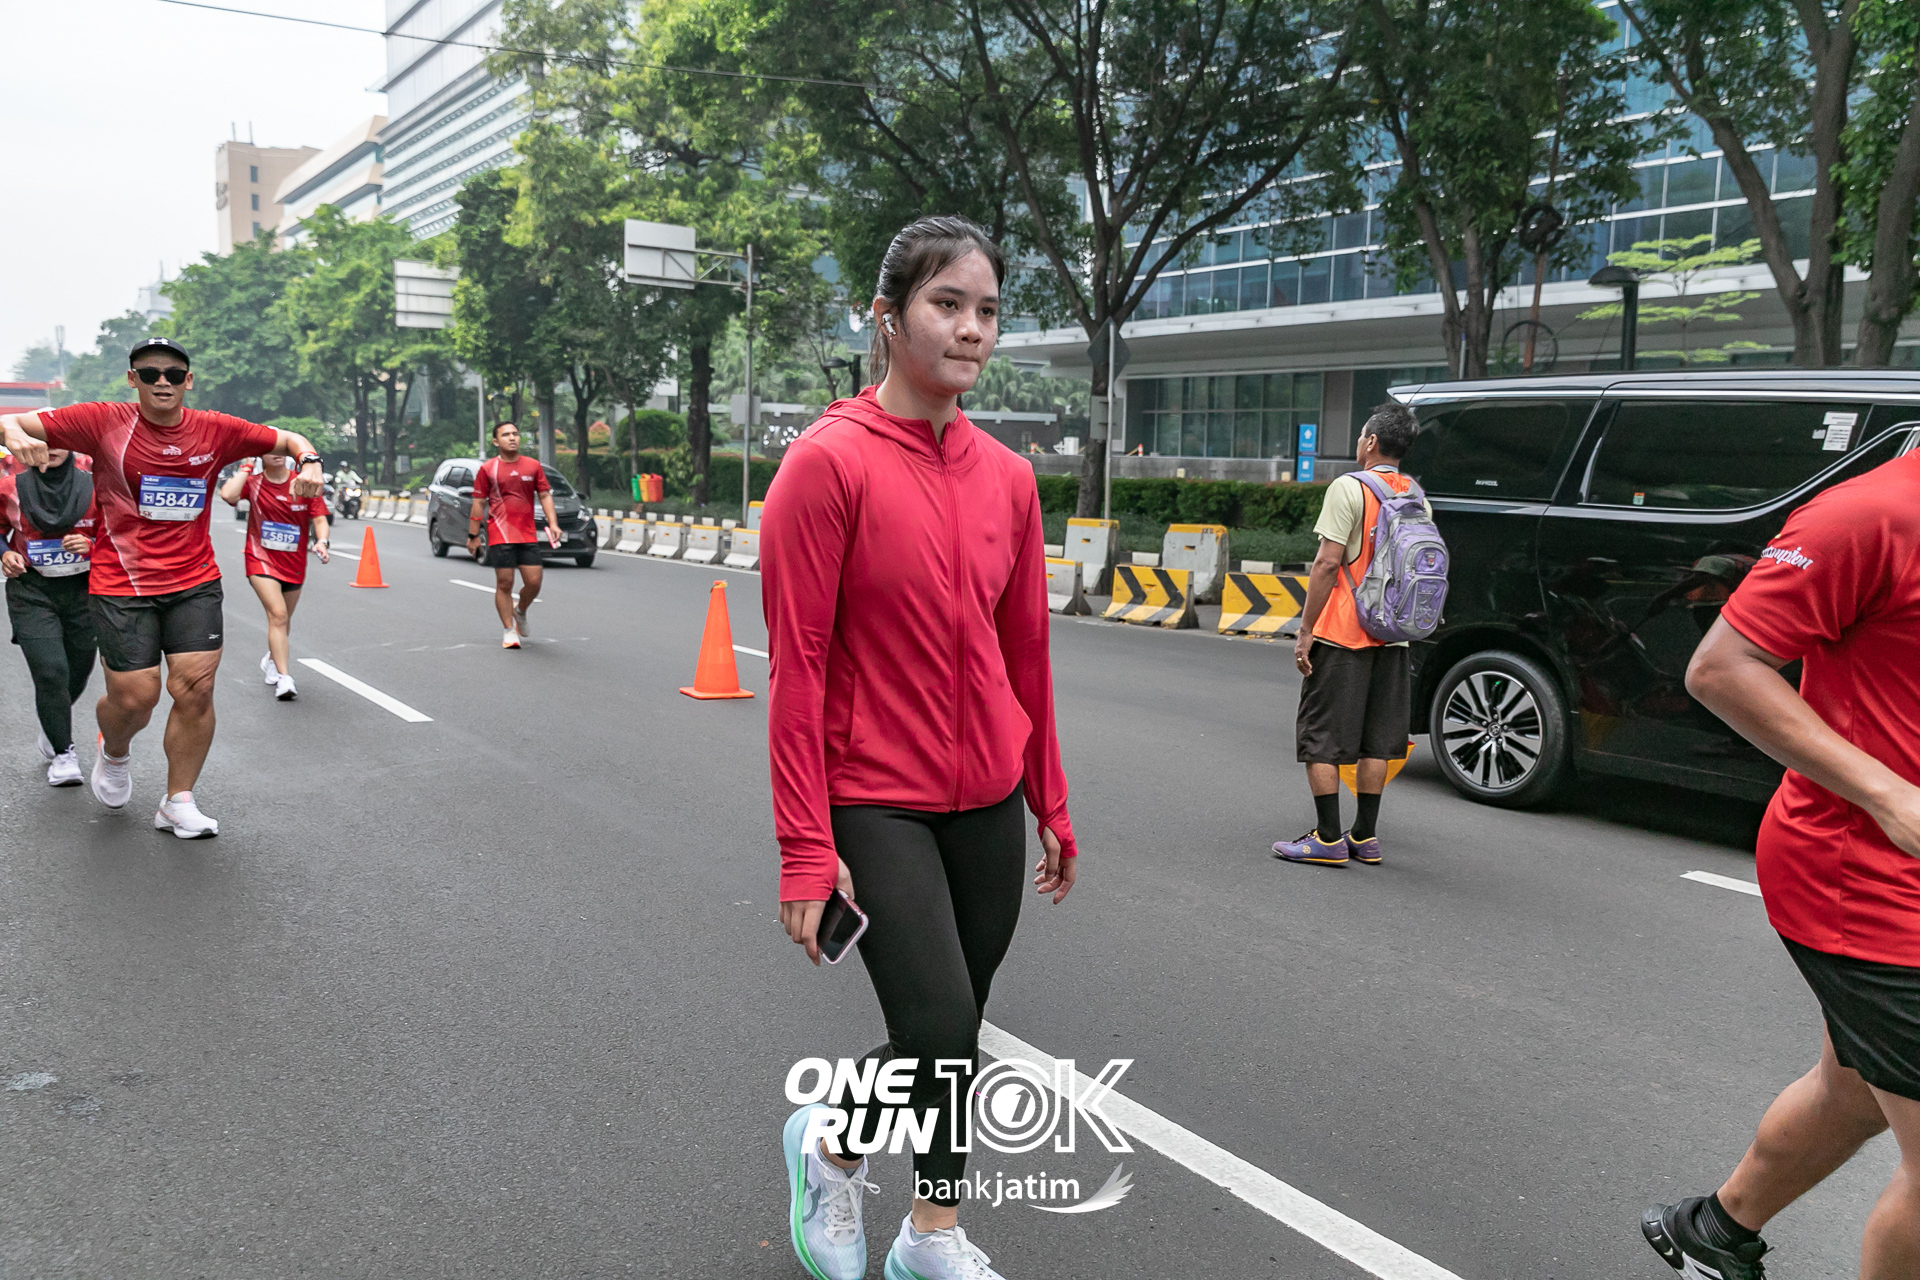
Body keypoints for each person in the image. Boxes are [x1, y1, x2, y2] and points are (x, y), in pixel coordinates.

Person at [763, 215, 1080, 1280]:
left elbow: (1024, 650)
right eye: (948, 304)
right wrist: (805, 847)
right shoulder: (826, 465)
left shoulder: (1009, 477)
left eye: (987, 310)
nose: (972, 328)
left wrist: (1049, 799)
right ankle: (925, 1225)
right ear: (888, 316)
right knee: (939, 1023)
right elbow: (798, 668)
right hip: (874, 794)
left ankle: (857, 1165)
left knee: (952, 1029)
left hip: (986, 794)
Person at [1642, 447, 1920, 1280]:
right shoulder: (1869, 516)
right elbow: (1720, 668)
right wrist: (1887, 794)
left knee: (1854, 1091)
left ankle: (1713, 1232)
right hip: (1869, 880)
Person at [0, 337, 325, 837]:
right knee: (136, 698)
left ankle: (178, 801)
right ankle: (114, 751)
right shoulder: (102, 421)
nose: (162, 382)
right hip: (121, 583)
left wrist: (311, 462)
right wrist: (11, 433)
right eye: (150, 373)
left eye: (173, 374)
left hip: (194, 580)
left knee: (195, 688)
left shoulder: (216, 429)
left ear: (188, 381)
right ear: (133, 379)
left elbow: (289, 439)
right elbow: (10, 422)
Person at [1273, 402, 1429, 867]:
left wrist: (1305, 631)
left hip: (1344, 632)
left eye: (1362, 436)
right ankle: (1365, 835)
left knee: (1320, 738)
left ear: (1372, 442)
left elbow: (1327, 563)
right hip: (1394, 635)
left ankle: (1327, 838)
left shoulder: (1350, 487)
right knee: (1377, 741)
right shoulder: (1417, 494)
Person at [0, 448, 99, 786]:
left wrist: (91, 544)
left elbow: (121, 533)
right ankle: (63, 754)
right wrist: (6, 554)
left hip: (84, 591)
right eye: (42, 441)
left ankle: (53, 721)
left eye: (59, 441)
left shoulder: (96, 486)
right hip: (32, 591)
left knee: (77, 671)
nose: (51, 448)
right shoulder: (10, 488)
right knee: (51, 671)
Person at [217, 454, 330, 700]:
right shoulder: (254, 483)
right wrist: (247, 465)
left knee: (284, 620)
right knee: (277, 615)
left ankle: (271, 659)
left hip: (294, 562)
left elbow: (320, 518)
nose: (277, 454)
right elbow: (228, 495)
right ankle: (284, 677)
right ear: (261, 455)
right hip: (261, 559)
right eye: (271, 450)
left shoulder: (302, 483)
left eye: (282, 450)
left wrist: (322, 541)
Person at [465, 421, 559, 650]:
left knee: (534, 582)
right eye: (506, 435)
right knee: (505, 583)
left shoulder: (532, 466)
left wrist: (553, 523)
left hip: (527, 534)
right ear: (496, 441)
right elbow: (479, 502)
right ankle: (508, 630)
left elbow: (545, 495)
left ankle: (521, 610)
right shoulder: (488, 469)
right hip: (500, 533)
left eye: (515, 434)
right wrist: (473, 535)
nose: (512, 438)